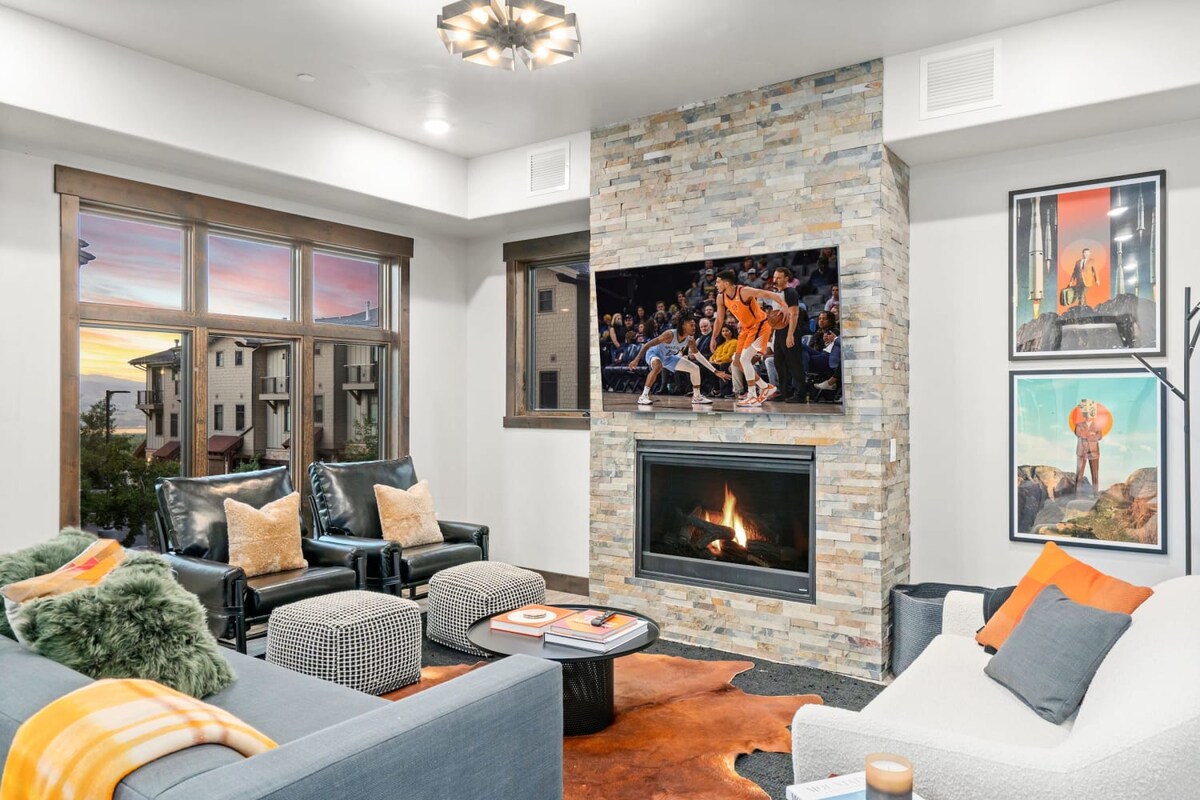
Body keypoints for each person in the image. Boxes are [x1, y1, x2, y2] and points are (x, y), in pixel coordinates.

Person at [710, 268, 787, 406]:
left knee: (745, 359)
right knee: (737, 361)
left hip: (760, 325)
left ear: (726, 283)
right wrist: (713, 337)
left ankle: (752, 395)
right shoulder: (721, 297)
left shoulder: (744, 291)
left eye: (718, 282)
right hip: (746, 329)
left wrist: (784, 306)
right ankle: (765, 387)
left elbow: (768, 293)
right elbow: (719, 320)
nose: (716, 285)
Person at [630, 318, 729, 405]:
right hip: (654, 353)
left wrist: (715, 371)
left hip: (668, 357)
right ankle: (643, 396)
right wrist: (636, 360)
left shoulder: (690, 340)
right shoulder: (669, 334)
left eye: (694, 325)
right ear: (684, 326)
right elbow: (647, 345)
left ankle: (697, 397)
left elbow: (699, 356)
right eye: (691, 325)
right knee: (658, 366)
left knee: (695, 368)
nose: (694, 327)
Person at [771, 267, 806, 402]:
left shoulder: (790, 292)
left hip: (790, 330)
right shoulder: (776, 293)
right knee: (779, 362)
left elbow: (794, 314)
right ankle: (785, 392)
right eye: (774, 277)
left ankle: (800, 394)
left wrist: (790, 334)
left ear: (786, 278)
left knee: (794, 362)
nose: (775, 280)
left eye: (779, 277)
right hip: (779, 330)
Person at [1074, 399, 1103, 495]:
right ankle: (1077, 495)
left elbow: (1099, 436)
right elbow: (1079, 433)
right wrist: (1091, 434)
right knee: (1079, 475)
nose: (1088, 414)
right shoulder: (1079, 425)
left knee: (1095, 475)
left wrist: (1088, 435)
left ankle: (1095, 494)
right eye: (1086, 412)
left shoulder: (1097, 425)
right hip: (1082, 452)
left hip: (1094, 452)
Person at [801, 327, 841, 393]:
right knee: (801, 347)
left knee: (801, 355)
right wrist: (828, 342)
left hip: (828, 359)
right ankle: (804, 374)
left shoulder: (841, 337)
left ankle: (803, 375)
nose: (826, 335)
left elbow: (843, 345)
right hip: (823, 354)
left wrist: (835, 339)